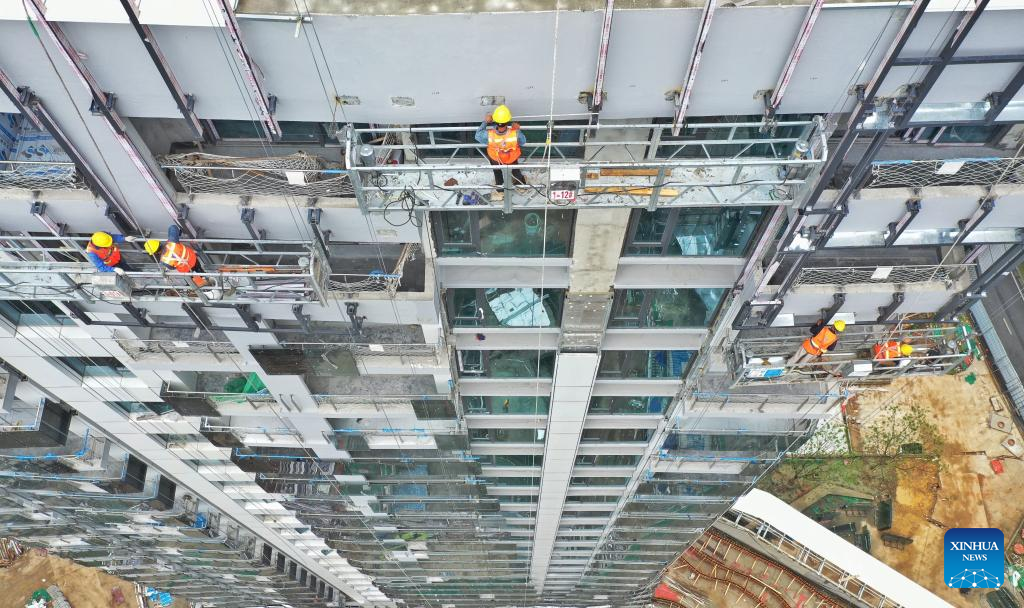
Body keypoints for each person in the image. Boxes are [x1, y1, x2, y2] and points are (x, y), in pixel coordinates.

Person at [475, 104, 527, 198]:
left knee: (497, 172)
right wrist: (517, 130)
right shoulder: (514, 133)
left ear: (494, 120)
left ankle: (500, 189)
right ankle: (521, 185)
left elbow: (477, 135)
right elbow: (523, 142)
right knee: (515, 170)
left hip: (496, 158)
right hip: (510, 158)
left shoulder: (489, 135)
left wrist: (485, 122)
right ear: (507, 121)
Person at [146, 225, 210, 287]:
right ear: (159, 243)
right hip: (193, 259)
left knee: (191, 278)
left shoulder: (164, 261)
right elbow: (173, 227)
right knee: (199, 270)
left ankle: (196, 284)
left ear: (155, 253)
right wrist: (175, 236)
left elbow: (172, 267)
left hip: (186, 269)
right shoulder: (172, 242)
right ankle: (204, 278)